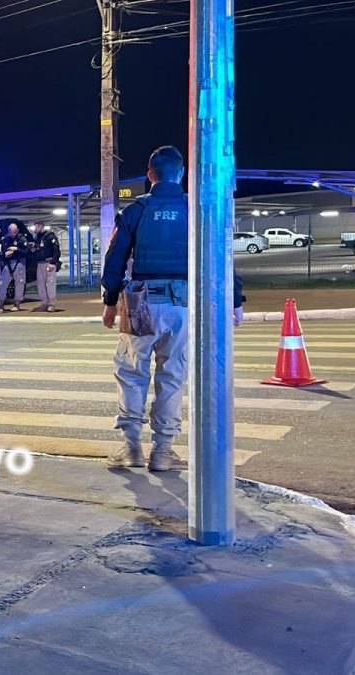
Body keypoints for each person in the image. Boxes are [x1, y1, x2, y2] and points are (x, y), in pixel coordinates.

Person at [101, 146, 246, 471]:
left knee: (132, 373)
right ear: (181, 174)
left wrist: (110, 302)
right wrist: (235, 300)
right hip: (184, 304)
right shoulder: (197, 211)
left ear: (150, 174)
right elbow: (221, 257)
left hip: (141, 304)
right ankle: (163, 451)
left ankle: (131, 448)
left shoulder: (136, 210)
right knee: (172, 376)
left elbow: (115, 259)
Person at [30, 220, 61, 312]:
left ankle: (52, 304)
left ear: (41, 226)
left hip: (48, 263)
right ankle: (44, 303)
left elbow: (56, 250)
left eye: (36, 227)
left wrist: (53, 262)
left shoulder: (50, 236)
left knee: (50, 284)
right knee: (41, 285)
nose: (35, 229)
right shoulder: (37, 238)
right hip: (40, 263)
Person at [0, 223, 29, 311]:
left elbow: (27, 252)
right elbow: (0, 251)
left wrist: (16, 250)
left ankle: (17, 303)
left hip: (19, 262)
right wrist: (5, 254)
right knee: (2, 283)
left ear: (17, 231)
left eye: (14, 232)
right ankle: (0, 303)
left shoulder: (22, 239)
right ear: (8, 231)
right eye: (11, 232)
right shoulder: (4, 239)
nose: (13, 234)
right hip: (8, 264)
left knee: (19, 283)